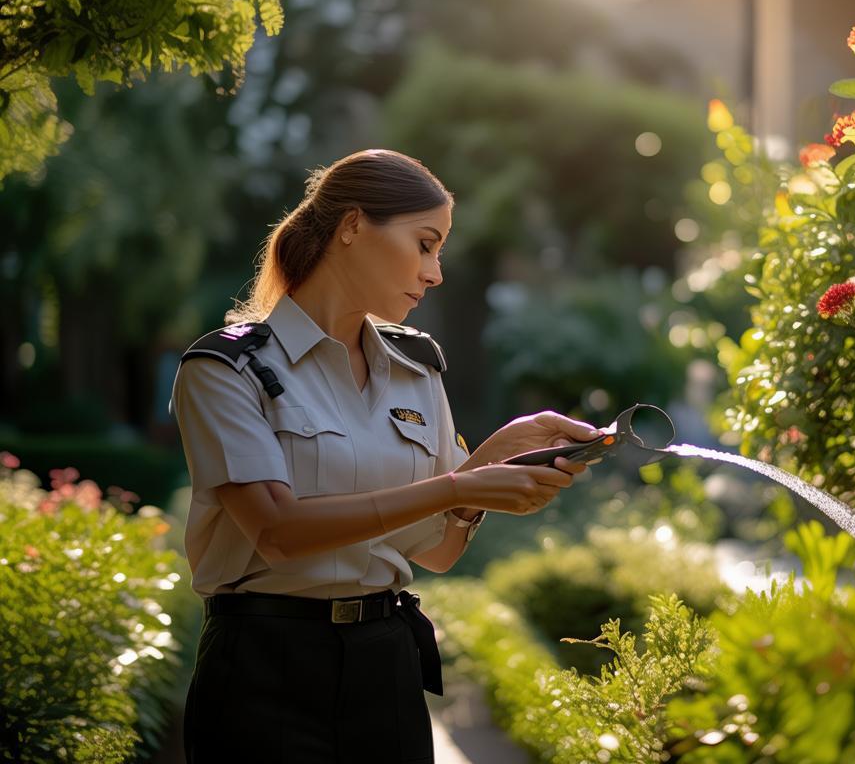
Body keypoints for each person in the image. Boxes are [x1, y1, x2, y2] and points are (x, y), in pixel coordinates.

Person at [171, 149, 599, 763]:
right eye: (425, 244)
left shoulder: (415, 368)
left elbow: (437, 549)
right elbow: (278, 532)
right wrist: (460, 488)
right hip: (264, 669)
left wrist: (496, 458)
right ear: (352, 226)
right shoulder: (225, 369)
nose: (435, 272)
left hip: (386, 667)